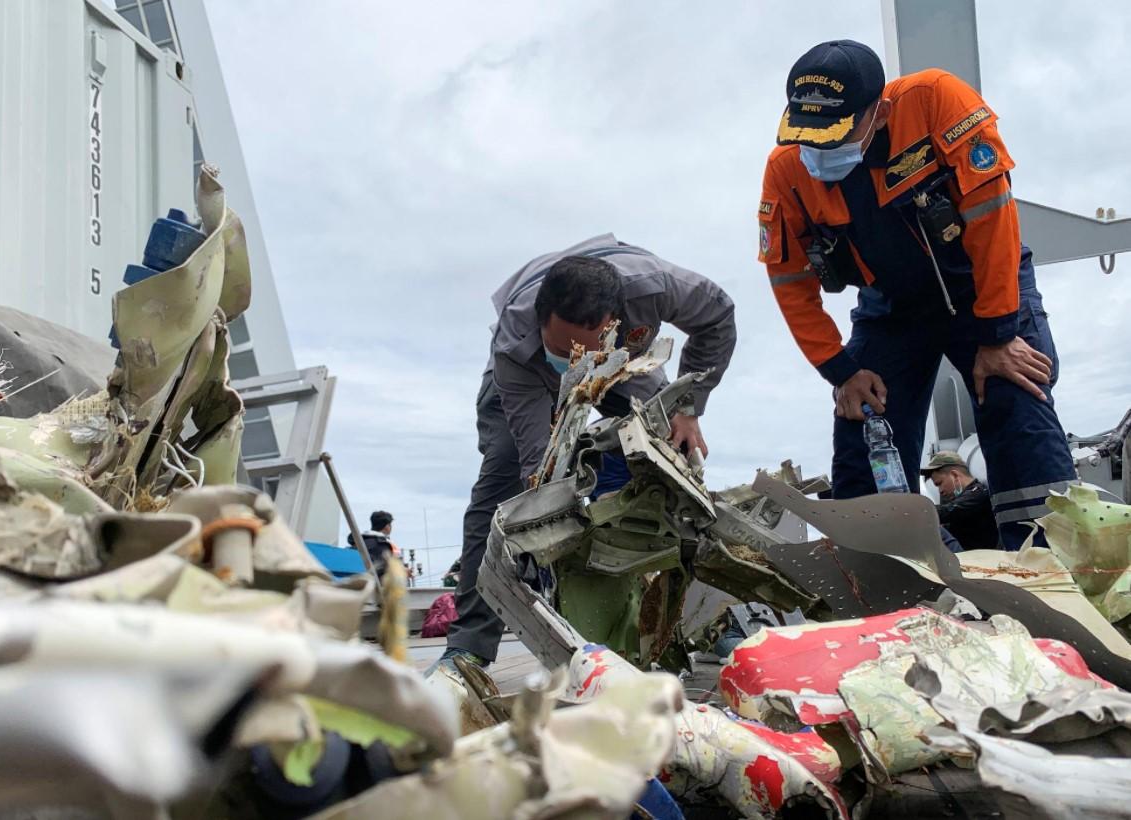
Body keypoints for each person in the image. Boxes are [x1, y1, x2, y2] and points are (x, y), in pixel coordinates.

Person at [756, 40, 1076, 550]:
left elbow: (992, 216)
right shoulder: (786, 170)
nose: (816, 150)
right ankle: (901, 567)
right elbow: (789, 279)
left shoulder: (936, 102)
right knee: (863, 421)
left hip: (981, 288)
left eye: (834, 135)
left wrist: (996, 335)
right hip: (891, 308)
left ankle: (1047, 561)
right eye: (805, 136)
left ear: (878, 113)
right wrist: (841, 370)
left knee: (1017, 399)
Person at [434, 235, 736, 673]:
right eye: (565, 349)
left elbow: (718, 317)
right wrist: (549, 513)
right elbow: (540, 464)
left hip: (622, 367)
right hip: (533, 376)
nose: (576, 361)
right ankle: (467, 649)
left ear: (617, 318)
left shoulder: (656, 287)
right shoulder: (514, 348)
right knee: (505, 486)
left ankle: (713, 621)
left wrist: (688, 406)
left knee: (674, 469)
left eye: (586, 348)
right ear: (542, 321)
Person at [920, 451, 999, 550]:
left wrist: (918, 510)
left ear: (955, 475)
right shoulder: (966, 497)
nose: (940, 491)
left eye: (940, 483)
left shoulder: (979, 494)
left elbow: (949, 511)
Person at [347, 510, 398, 577]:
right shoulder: (383, 545)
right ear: (387, 526)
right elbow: (383, 571)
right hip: (375, 585)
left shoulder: (358, 542)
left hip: (355, 582)